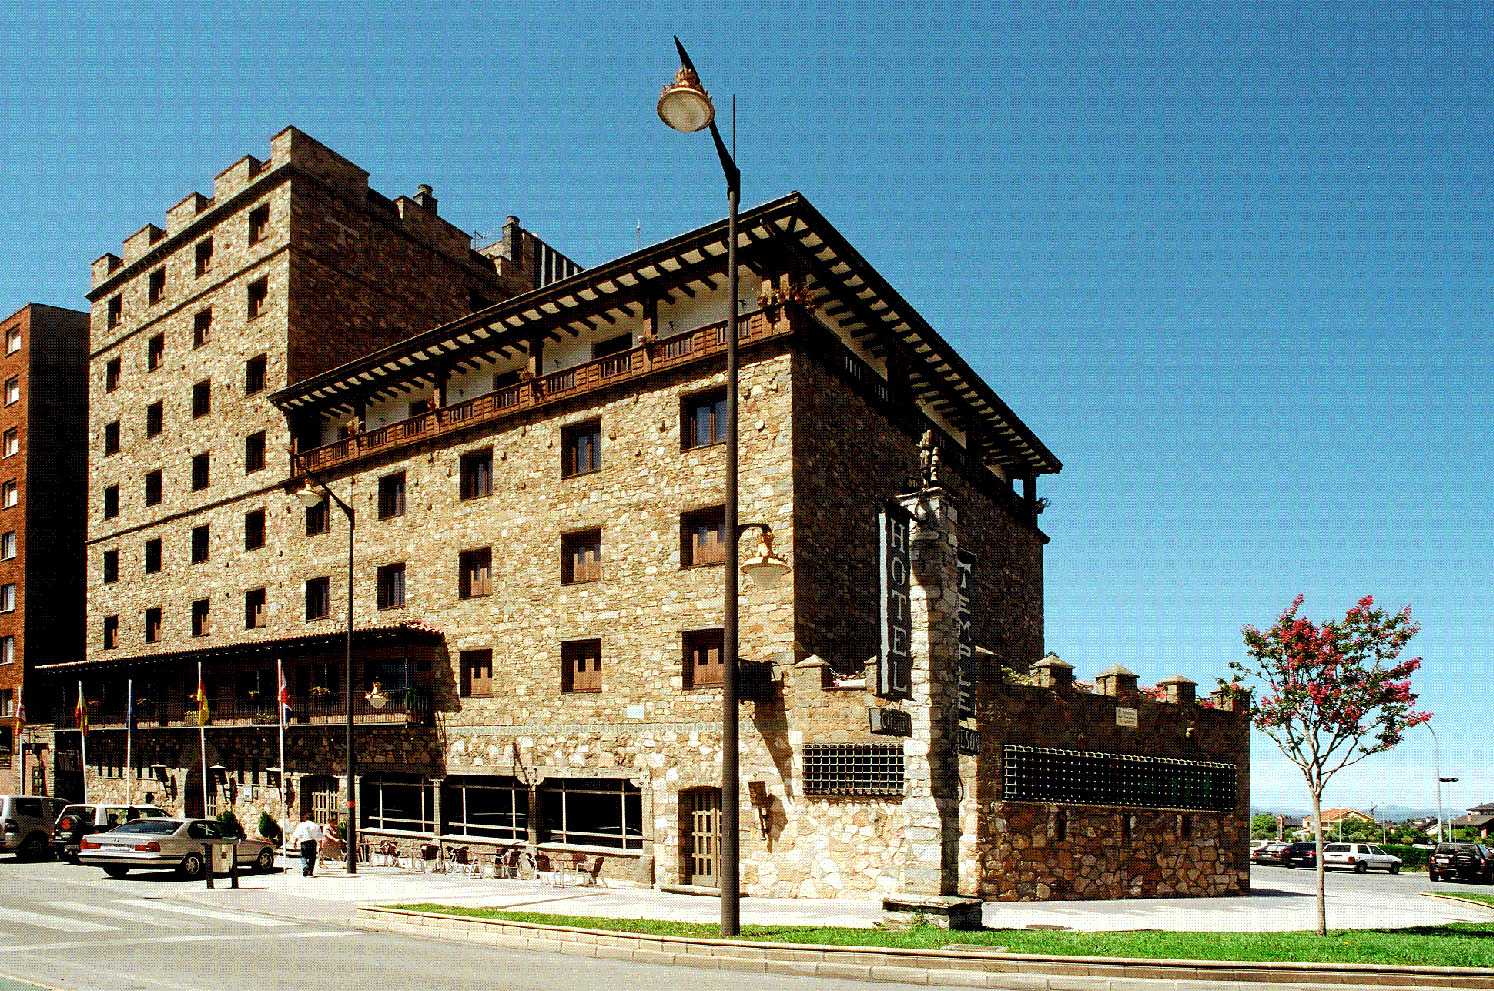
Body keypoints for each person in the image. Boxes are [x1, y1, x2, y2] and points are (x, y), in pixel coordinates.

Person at [290, 813, 321, 877]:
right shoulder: (316, 826)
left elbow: (297, 835)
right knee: (312, 857)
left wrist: (294, 842)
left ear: (306, 818)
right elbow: (319, 837)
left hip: (304, 842)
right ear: (313, 819)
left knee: (303, 856)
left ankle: (304, 866)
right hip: (312, 842)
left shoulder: (301, 825)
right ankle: (310, 872)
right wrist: (321, 845)